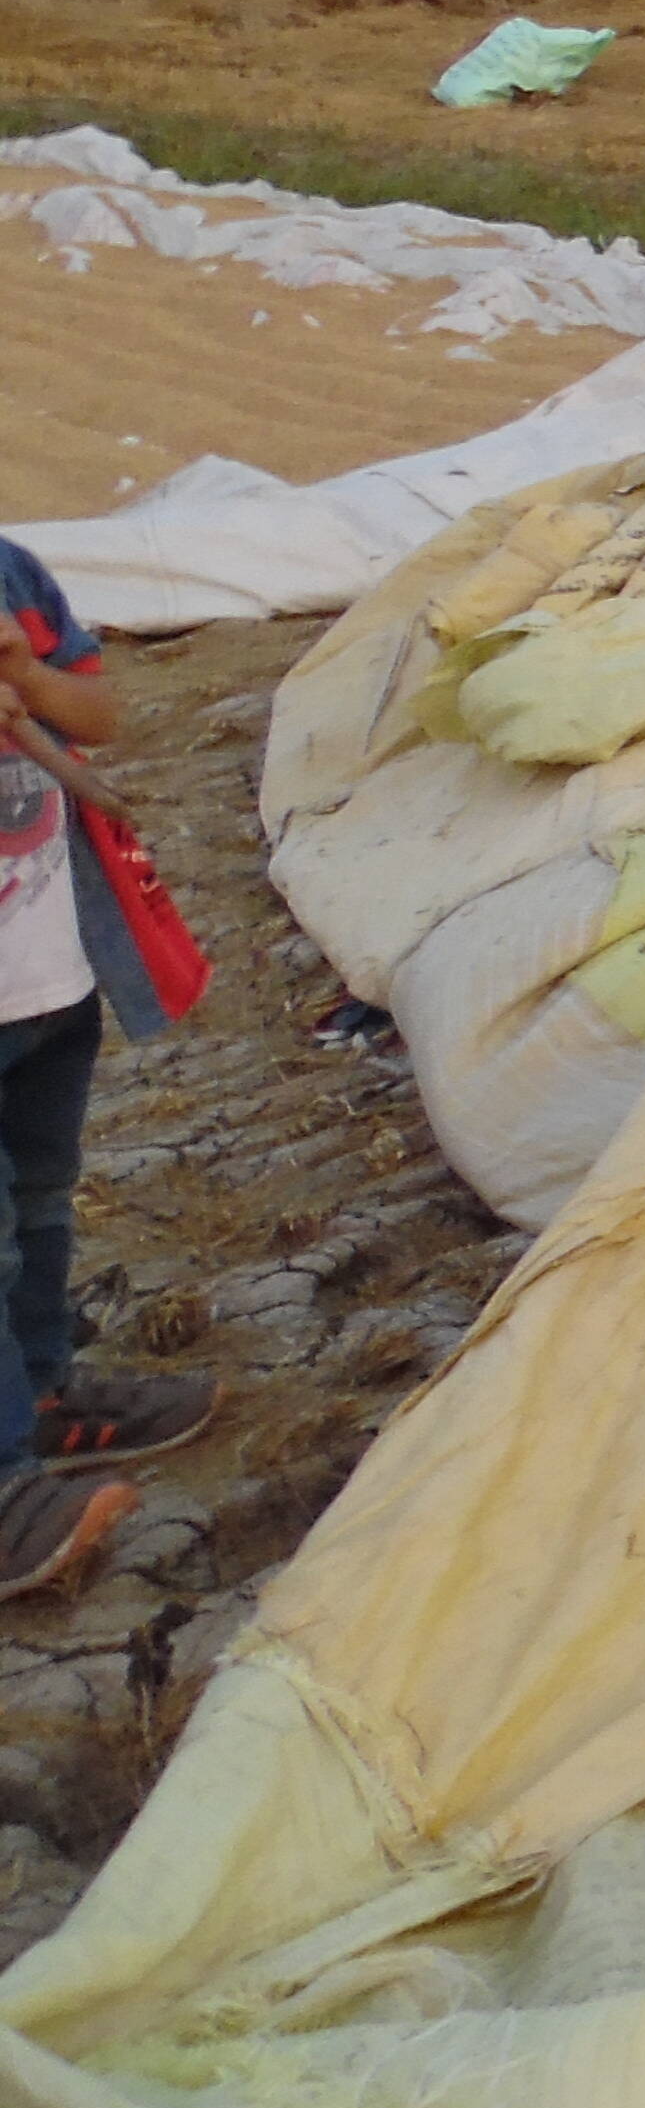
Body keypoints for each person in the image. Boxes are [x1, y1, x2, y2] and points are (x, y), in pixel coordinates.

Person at [0, 540, 219, 1605]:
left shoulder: (13, 575)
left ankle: (39, 1393)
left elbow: (99, 720)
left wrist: (27, 682)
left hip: (45, 978)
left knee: (40, 1196)